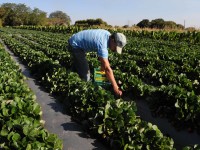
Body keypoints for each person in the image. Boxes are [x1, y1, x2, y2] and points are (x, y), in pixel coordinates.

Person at [68, 29, 127, 96]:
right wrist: (115, 87)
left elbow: (103, 61)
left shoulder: (107, 34)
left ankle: (70, 75)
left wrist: (102, 68)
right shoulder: (102, 45)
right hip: (75, 45)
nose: (115, 50)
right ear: (113, 40)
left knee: (78, 65)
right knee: (86, 74)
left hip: (75, 40)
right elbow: (107, 68)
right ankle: (83, 92)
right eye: (116, 47)